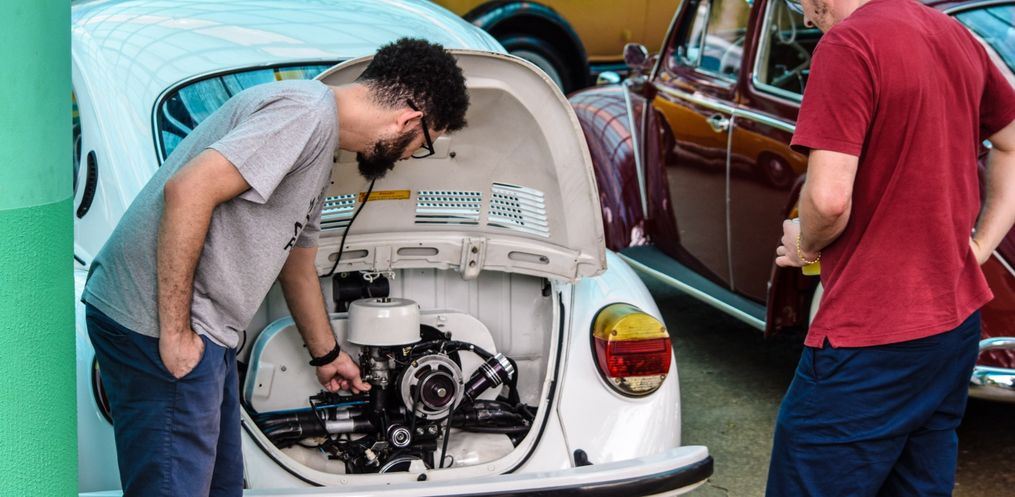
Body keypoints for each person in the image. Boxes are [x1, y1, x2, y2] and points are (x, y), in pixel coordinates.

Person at [82, 38, 469, 497]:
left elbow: (296, 261)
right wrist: (176, 333)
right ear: (408, 119)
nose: (408, 156)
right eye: (423, 144)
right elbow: (188, 191)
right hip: (155, 325)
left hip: (203, 329)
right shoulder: (304, 114)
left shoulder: (319, 141)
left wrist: (327, 356)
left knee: (221, 487)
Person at [769, 0, 1015, 495]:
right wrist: (980, 247)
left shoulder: (847, 44)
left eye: (800, 4)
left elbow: (829, 200)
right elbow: (1011, 142)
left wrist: (805, 247)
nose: (805, 17)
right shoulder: (954, 34)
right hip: (953, 326)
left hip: (872, 330)